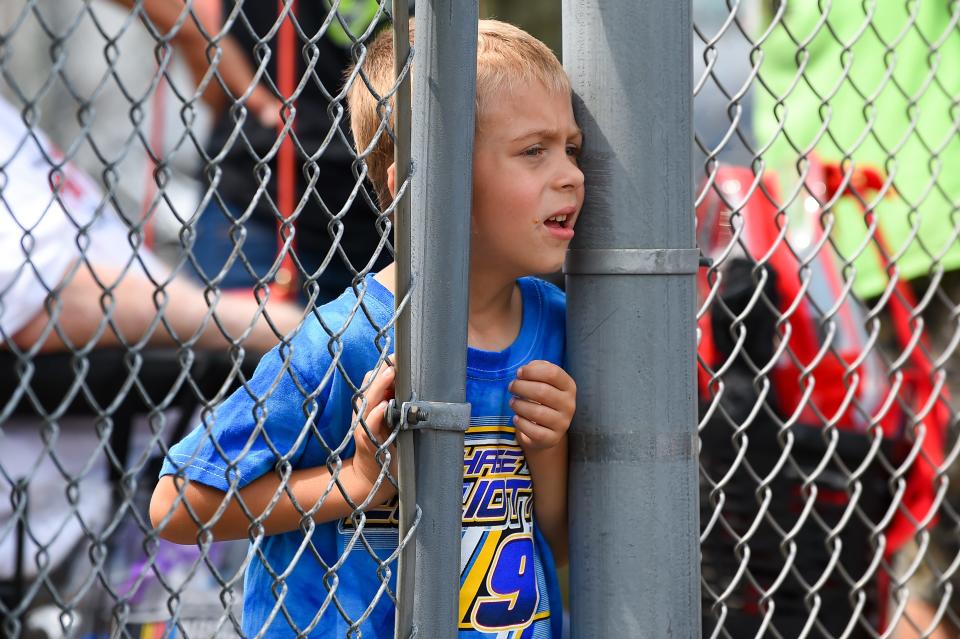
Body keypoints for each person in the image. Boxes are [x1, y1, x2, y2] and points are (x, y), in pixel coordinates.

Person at [150, 18, 582, 638]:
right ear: (421, 183)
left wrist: (548, 449)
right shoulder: (344, 339)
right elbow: (174, 508)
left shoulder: (559, 325)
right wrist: (355, 482)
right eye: (533, 151)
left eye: (573, 148)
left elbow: (560, 545)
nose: (570, 175)